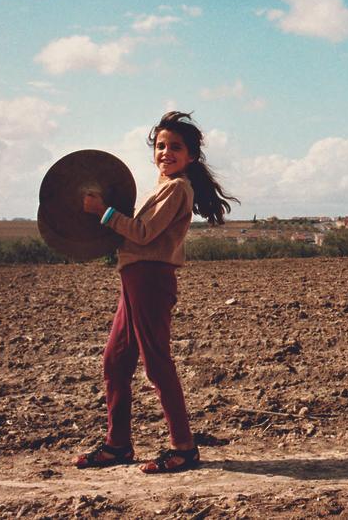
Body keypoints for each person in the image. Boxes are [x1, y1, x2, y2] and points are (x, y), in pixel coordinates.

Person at [74, 111, 236, 474]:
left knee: (157, 364)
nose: (166, 152)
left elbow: (143, 233)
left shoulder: (177, 189)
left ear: (191, 156)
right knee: (115, 362)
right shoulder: (161, 188)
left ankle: (184, 448)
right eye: (161, 146)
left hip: (151, 278)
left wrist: (104, 212)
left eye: (175, 147)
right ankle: (118, 445)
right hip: (134, 277)